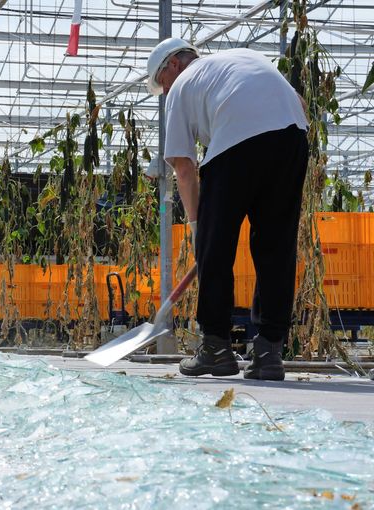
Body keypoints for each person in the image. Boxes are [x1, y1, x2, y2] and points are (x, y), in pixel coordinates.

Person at [146, 38, 309, 380]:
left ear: (173, 65)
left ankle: (216, 348)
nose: (165, 92)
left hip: (237, 142)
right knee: (276, 248)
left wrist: (197, 227)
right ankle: (269, 353)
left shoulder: (181, 87)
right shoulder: (244, 57)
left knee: (215, 248)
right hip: (292, 136)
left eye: (162, 83)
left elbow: (184, 167)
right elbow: (299, 102)